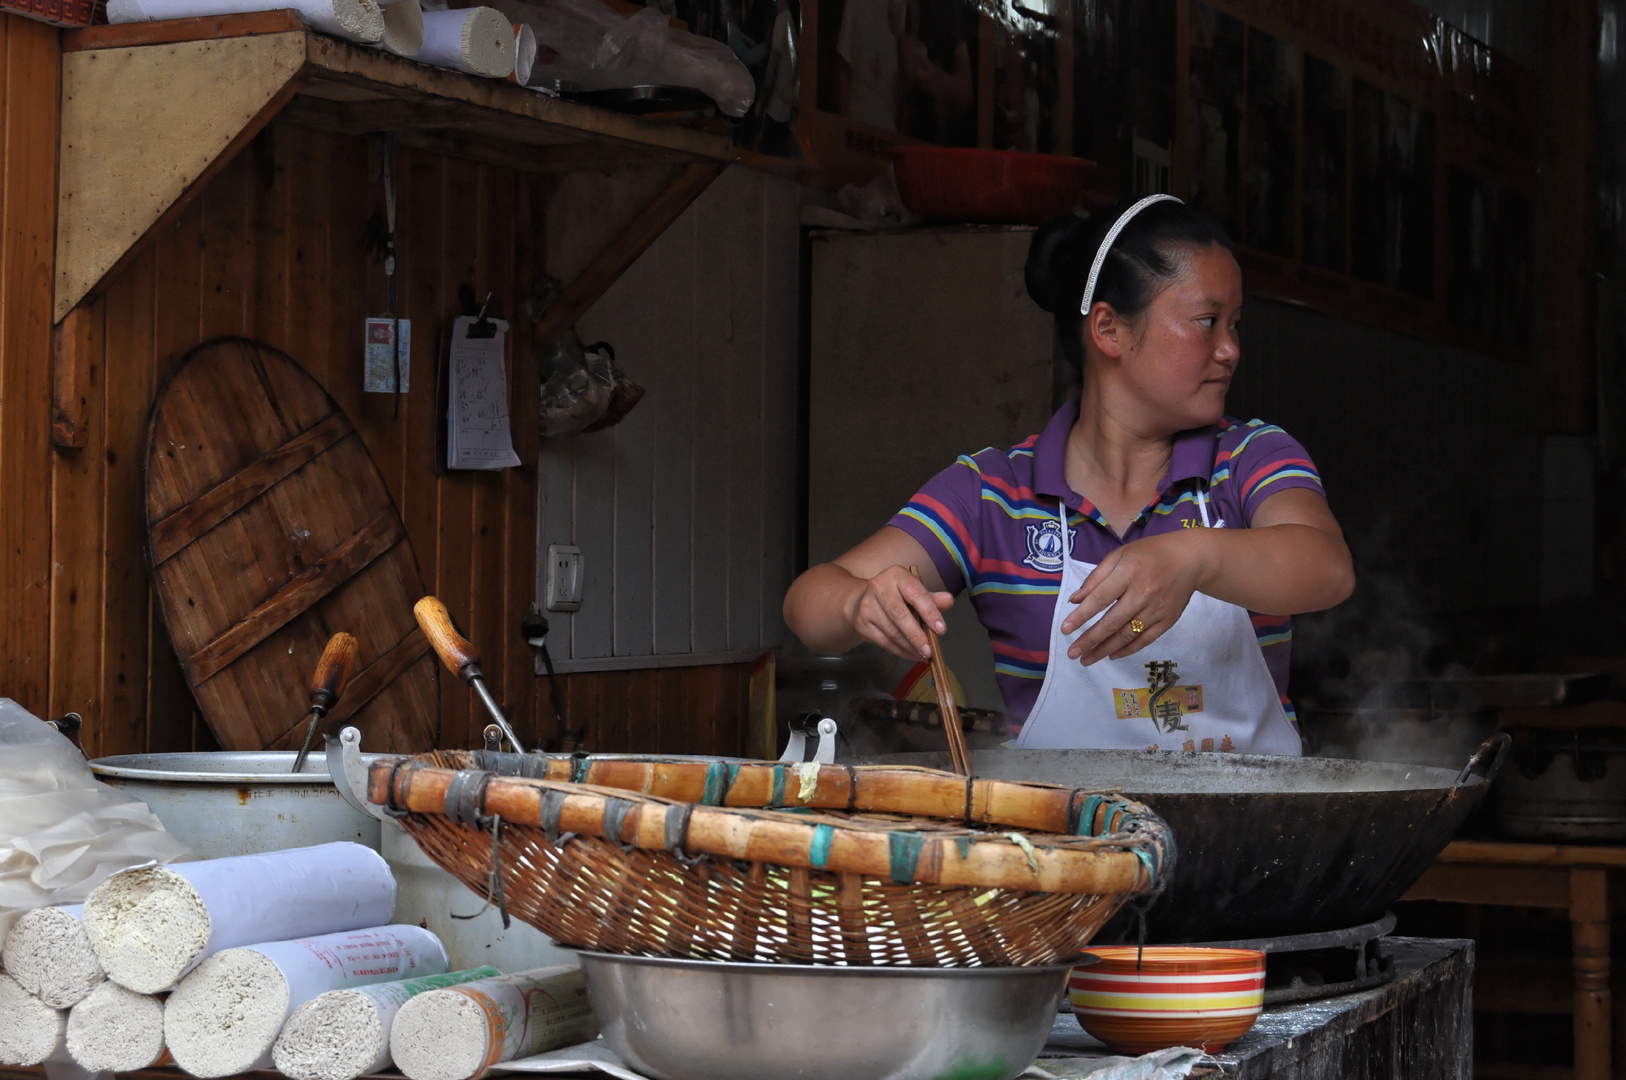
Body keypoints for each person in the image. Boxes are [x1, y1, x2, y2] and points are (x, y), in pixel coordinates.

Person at [783, 195, 1355, 754]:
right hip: (1061, 843)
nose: (1229, 349)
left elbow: (1326, 567)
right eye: (1206, 322)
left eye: (1235, 324)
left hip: (1250, 840)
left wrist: (1194, 557)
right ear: (1108, 331)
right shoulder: (996, 494)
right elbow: (808, 605)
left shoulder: (1250, 458)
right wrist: (859, 603)